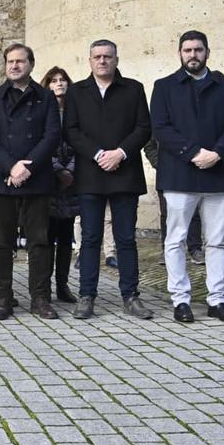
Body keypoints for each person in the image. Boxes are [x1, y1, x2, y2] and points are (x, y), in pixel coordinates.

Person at [150, 31, 224, 323]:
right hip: (179, 175)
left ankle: (218, 300)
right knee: (176, 240)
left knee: (217, 242)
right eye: (187, 50)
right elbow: (160, 127)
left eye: (198, 49)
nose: (193, 55)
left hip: (219, 173)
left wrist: (217, 153)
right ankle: (180, 300)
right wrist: (192, 153)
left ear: (207, 52)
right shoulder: (164, 86)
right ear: (179, 53)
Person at [64, 40, 153, 320]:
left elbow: (144, 127)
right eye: (97, 57)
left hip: (124, 173)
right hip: (91, 174)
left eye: (107, 56)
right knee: (90, 238)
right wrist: (99, 154)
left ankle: (131, 295)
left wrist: (120, 153)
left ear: (116, 59)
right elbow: (71, 130)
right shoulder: (77, 91)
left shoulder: (134, 89)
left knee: (125, 237)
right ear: (89, 60)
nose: (102, 61)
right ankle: (86, 296)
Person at [0, 43, 61, 320]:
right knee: (1, 242)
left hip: (36, 179)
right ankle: (3, 297)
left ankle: (40, 298)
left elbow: (52, 135)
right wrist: (11, 166)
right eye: (10, 61)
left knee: (39, 242)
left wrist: (28, 166)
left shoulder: (46, 97)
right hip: (2, 179)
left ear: (31, 64)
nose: (14, 66)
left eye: (20, 61)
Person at [41, 66, 79, 303]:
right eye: (54, 80)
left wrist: (70, 170)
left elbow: (82, 139)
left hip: (71, 182)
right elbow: (40, 142)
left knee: (66, 237)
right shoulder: (42, 110)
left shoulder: (77, 110)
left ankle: (62, 285)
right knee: (46, 236)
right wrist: (57, 168)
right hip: (48, 179)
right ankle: (43, 285)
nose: (59, 83)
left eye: (63, 79)